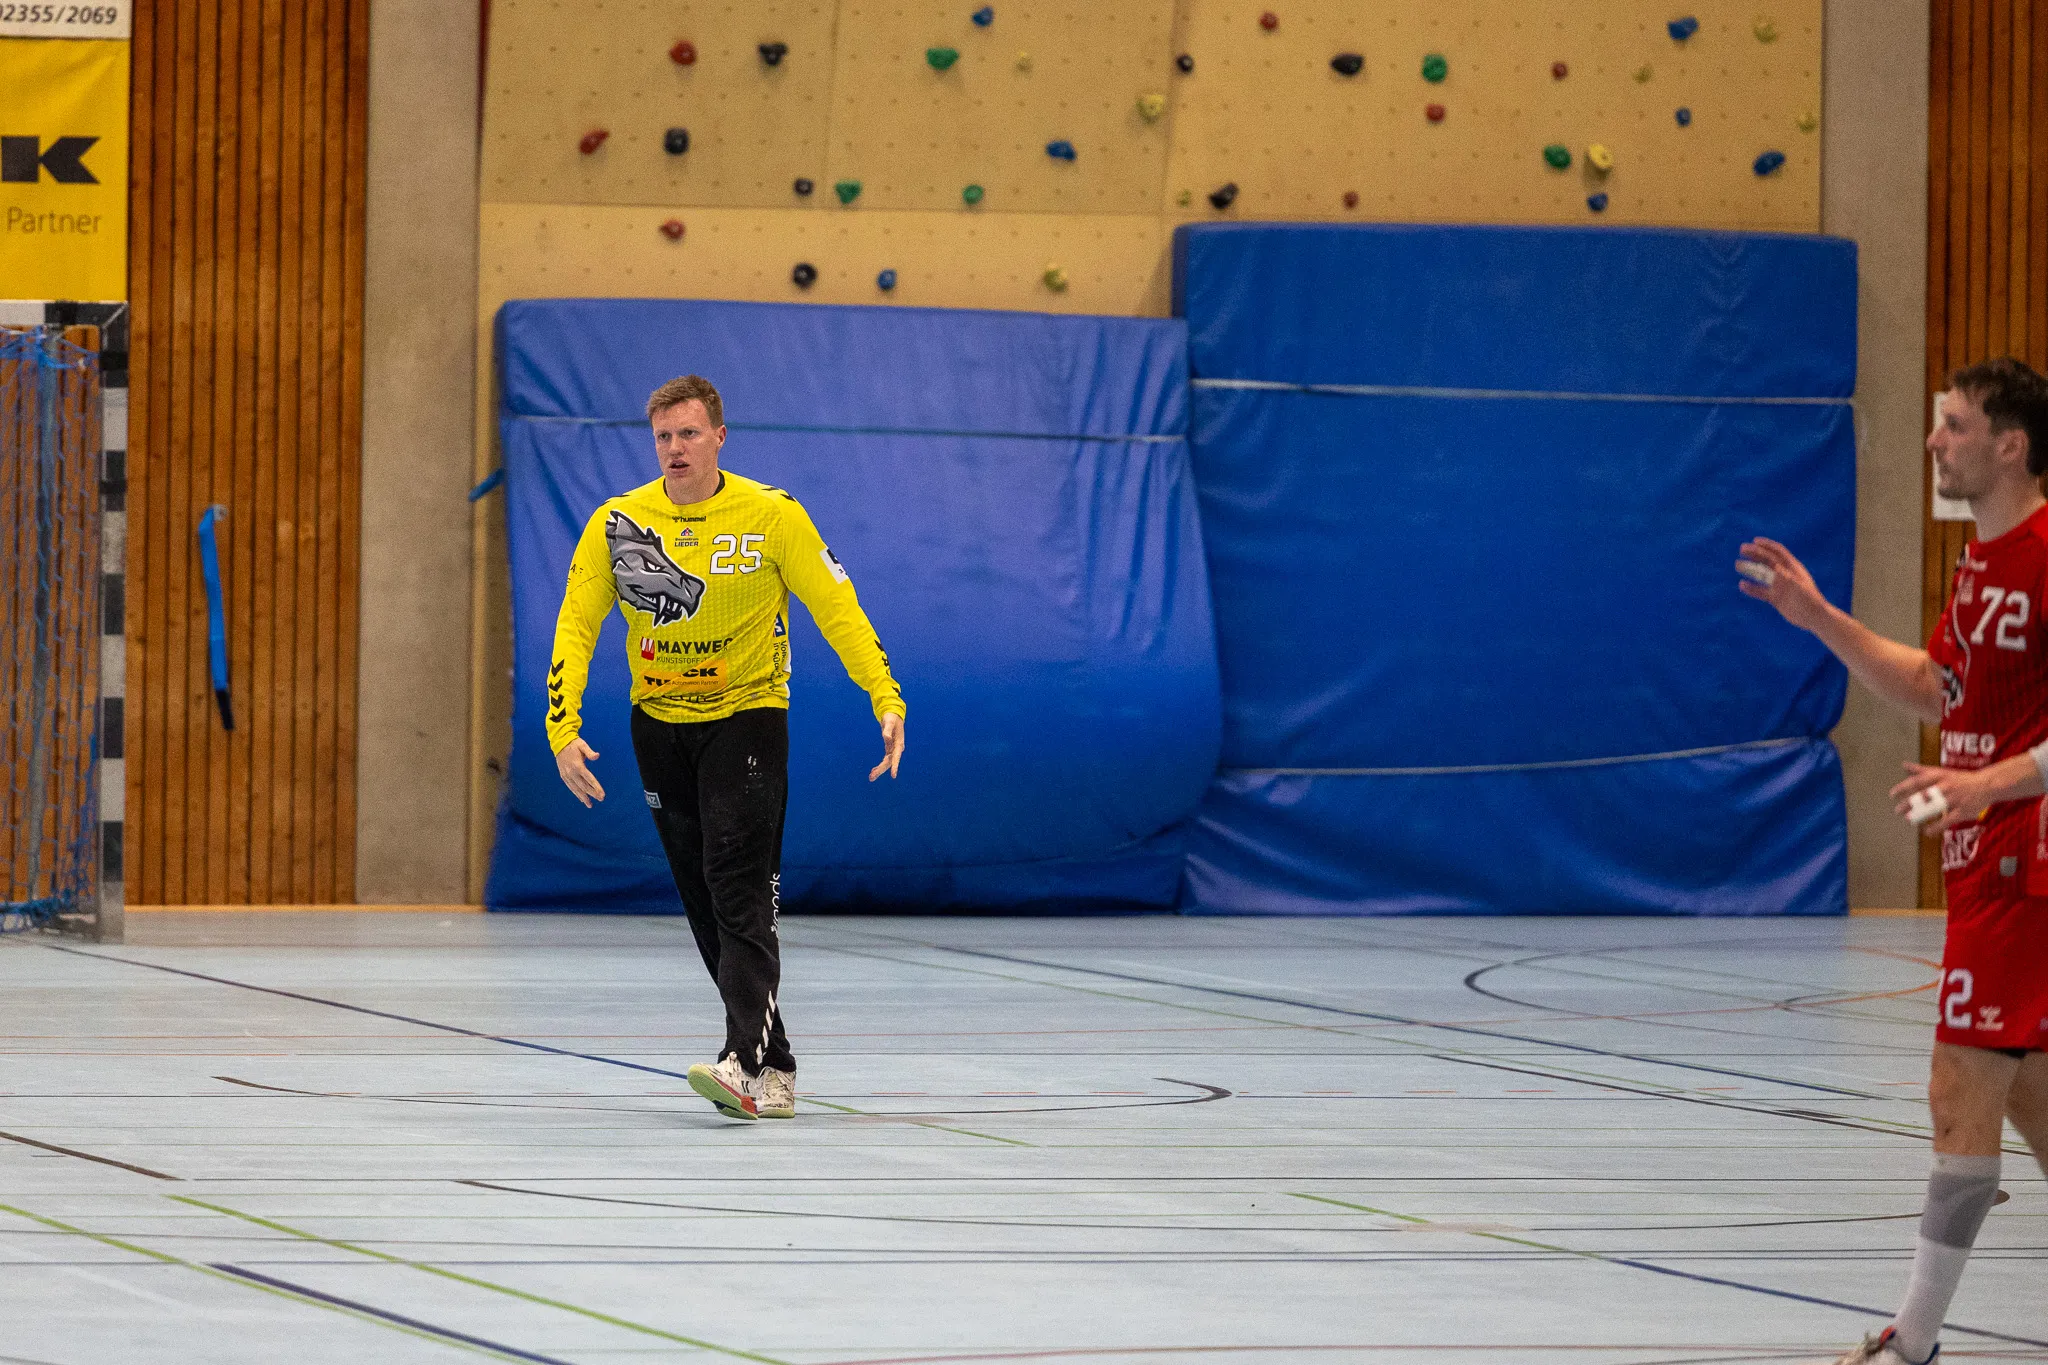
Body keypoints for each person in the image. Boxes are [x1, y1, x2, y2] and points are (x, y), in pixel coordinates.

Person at [1739, 357, 2048, 1365]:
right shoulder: (1977, 563)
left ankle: (1910, 1343)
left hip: (2026, 868)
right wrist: (1817, 618)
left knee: (1958, 1084)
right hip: (1983, 859)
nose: (1932, 440)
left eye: (1953, 424)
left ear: (2010, 445)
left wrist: (1986, 783)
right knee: (2025, 1092)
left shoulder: (2047, 555)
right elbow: (1934, 688)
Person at [547, 374, 905, 1122]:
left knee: (737, 884)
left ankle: (741, 1059)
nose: (675, 448)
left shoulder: (772, 515)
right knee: (703, 899)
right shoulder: (618, 521)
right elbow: (577, 623)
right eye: (663, 437)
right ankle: (776, 1064)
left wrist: (884, 695)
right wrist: (563, 725)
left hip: (747, 717)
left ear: (718, 436)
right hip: (658, 725)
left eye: (689, 433)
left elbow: (836, 606)